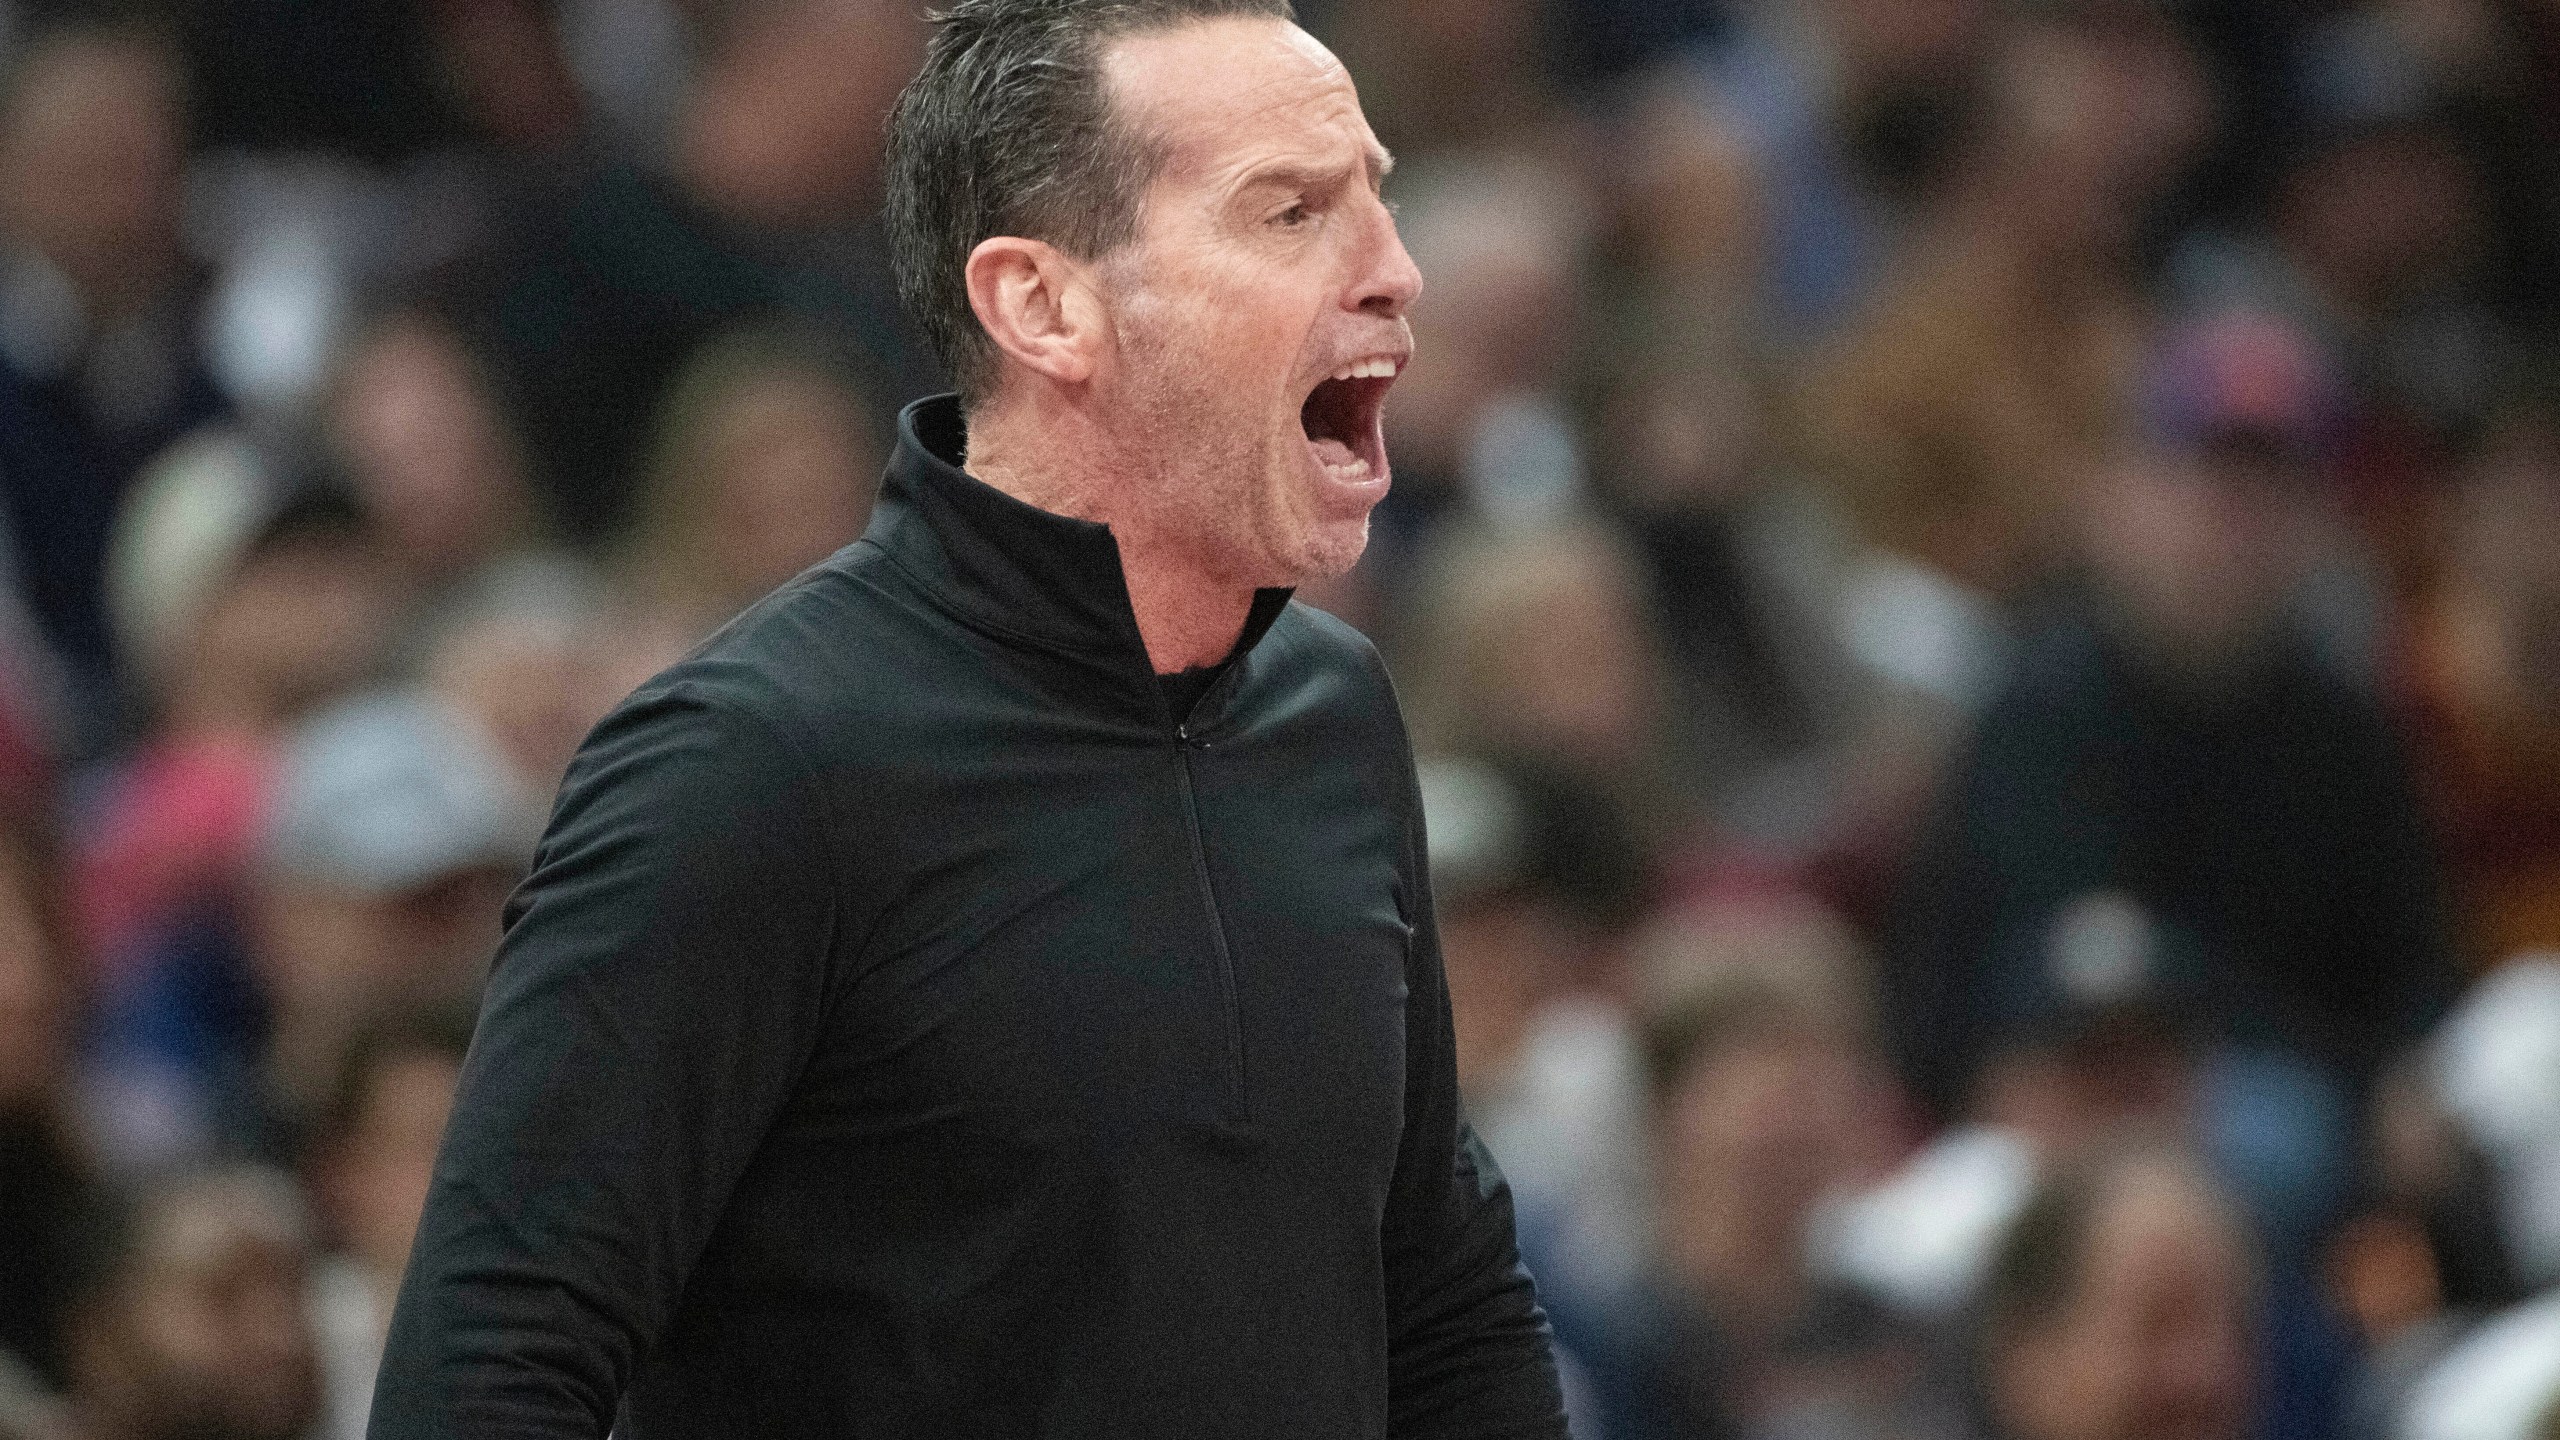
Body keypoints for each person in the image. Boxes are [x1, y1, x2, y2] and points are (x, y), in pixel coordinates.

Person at [370, 2, 1569, 1436]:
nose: (1396, 272)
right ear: (1042, 306)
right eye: (1291, 212)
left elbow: (1444, 1304)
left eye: (1375, 197)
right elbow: (492, 1369)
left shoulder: (1335, 716)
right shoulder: (752, 763)